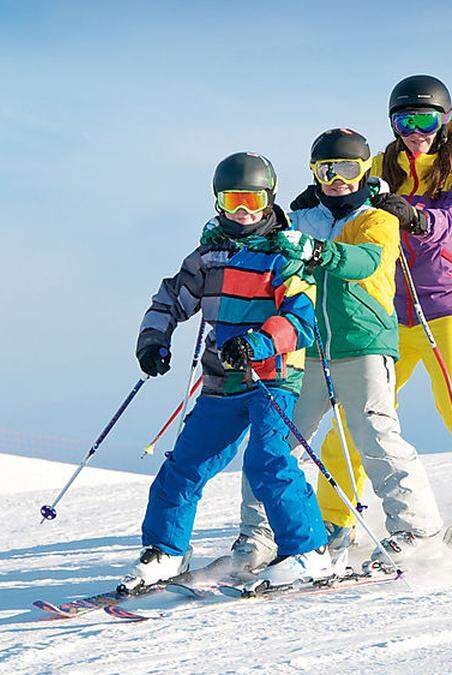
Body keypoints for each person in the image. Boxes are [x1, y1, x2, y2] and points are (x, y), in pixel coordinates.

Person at [297, 75, 452, 545]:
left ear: (445, 120)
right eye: (405, 120)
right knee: (361, 415)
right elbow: (342, 187)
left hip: (449, 305)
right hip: (387, 309)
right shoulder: (374, 166)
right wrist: (318, 198)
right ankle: (334, 517)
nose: (417, 130)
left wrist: (417, 216)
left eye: (427, 119)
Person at [233, 129, 443, 572]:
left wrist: (315, 250)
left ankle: (417, 530)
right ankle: (260, 535)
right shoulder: (302, 217)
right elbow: (262, 248)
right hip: (307, 350)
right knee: (275, 442)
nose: (337, 179)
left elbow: (363, 262)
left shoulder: (377, 217)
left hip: (362, 343)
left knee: (374, 434)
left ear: (364, 169)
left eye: (348, 169)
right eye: (325, 169)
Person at [124, 152, 329, 591]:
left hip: (273, 378)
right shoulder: (208, 257)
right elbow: (170, 299)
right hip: (222, 381)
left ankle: (309, 552)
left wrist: (255, 343)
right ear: (218, 202)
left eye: (252, 200)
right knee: (186, 464)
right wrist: (154, 339)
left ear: (269, 199)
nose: (242, 212)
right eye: (232, 200)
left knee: (268, 461)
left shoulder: (285, 255)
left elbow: (299, 320)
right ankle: (167, 551)